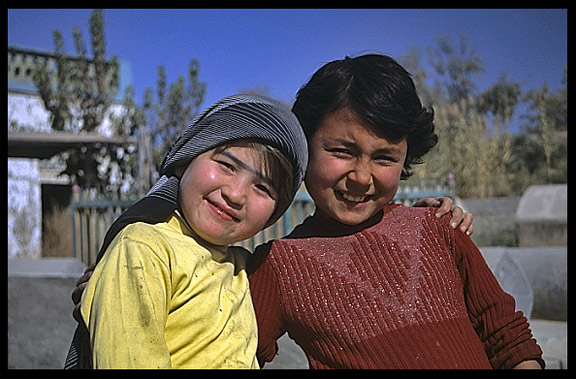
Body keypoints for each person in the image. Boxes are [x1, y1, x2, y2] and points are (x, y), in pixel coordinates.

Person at [247, 54, 544, 369]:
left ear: (406, 157)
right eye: (341, 151)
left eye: (384, 157)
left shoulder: (439, 228)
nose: (362, 177)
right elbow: (236, 356)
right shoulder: (278, 265)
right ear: (303, 146)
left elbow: (508, 339)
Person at [64, 94, 309, 369]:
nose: (236, 194)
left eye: (263, 188)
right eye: (227, 165)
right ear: (184, 160)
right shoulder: (144, 249)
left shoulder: (244, 268)